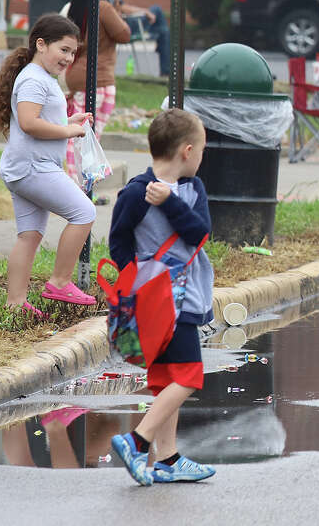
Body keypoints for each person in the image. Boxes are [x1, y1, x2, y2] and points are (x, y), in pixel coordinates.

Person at [108, 108, 216, 485]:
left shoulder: (192, 190)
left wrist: (170, 201)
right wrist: (134, 281)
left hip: (184, 300)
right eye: (202, 149)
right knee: (187, 377)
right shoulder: (135, 193)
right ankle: (136, 440)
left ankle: (167, 459)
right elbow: (118, 241)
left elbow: (199, 233)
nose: (202, 157)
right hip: (164, 303)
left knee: (168, 377)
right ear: (187, 151)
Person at [0, 14, 96, 316]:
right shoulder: (35, 78)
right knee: (84, 211)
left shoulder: (37, 77)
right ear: (41, 44)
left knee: (30, 235)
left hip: (23, 167)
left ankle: (16, 305)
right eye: (63, 49)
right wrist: (67, 131)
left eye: (73, 52)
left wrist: (66, 121)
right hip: (33, 168)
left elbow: (36, 121)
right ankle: (60, 282)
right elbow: (28, 123)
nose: (69, 58)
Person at [64, 0, 131, 187]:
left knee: (81, 137)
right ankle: (81, 186)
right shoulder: (103, 7)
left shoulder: (77, 8)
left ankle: (82, 185)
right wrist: (117, 7)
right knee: (88, 138)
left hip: (78, 77)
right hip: (100, 80)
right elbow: (124, 34)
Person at [104, 0, 171, 76]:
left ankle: (162, 41)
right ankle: (165, 67)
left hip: (124, 24)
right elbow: (123, 9)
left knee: (163, 30)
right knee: (157, 11)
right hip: (125, 27)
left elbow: (122, 8)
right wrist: (145, 11)